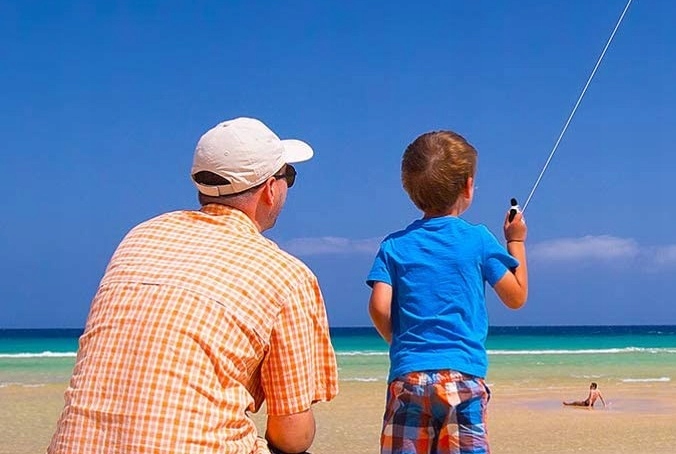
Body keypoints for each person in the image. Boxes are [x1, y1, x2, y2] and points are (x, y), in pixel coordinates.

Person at [47, 117, 339, 454]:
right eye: (288, 175)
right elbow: (291, 436)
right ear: (270, 190)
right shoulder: (287, 275)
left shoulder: (141, 237)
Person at [367, 129, 528, 454]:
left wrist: (398, 340)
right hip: (462, 378)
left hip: (408, 377)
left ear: (409, 189)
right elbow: (516, 296)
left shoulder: (393, 245)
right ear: (468, 186)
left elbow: (379, 307)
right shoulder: (478, 240)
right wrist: (516, 241)